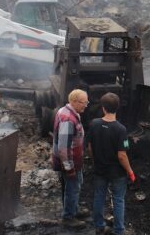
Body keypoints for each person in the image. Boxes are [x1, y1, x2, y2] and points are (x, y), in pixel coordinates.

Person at [86, 93, 136, 235]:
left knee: (99, 196)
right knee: (118, 199)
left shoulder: (94, 124)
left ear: (103, 108)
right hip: (117, 173)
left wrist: (95, 160)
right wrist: (130, 171)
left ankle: (99, 226)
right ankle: (119, 230)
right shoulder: (121, 130)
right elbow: (122, 155)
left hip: (100, 169)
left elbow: (89, 147)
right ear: (117, 108)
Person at [51, 89, 90, 229]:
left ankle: (73, 209)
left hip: (71, 160)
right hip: (69, 161)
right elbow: (63, 147)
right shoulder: (68, 119)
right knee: (73, 188)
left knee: (71, 187)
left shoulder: (69, 112)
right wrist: (69, 167)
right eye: (83, 102)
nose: (86, 105)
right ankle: (68, 217)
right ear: (73, 101)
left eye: (87, 102)